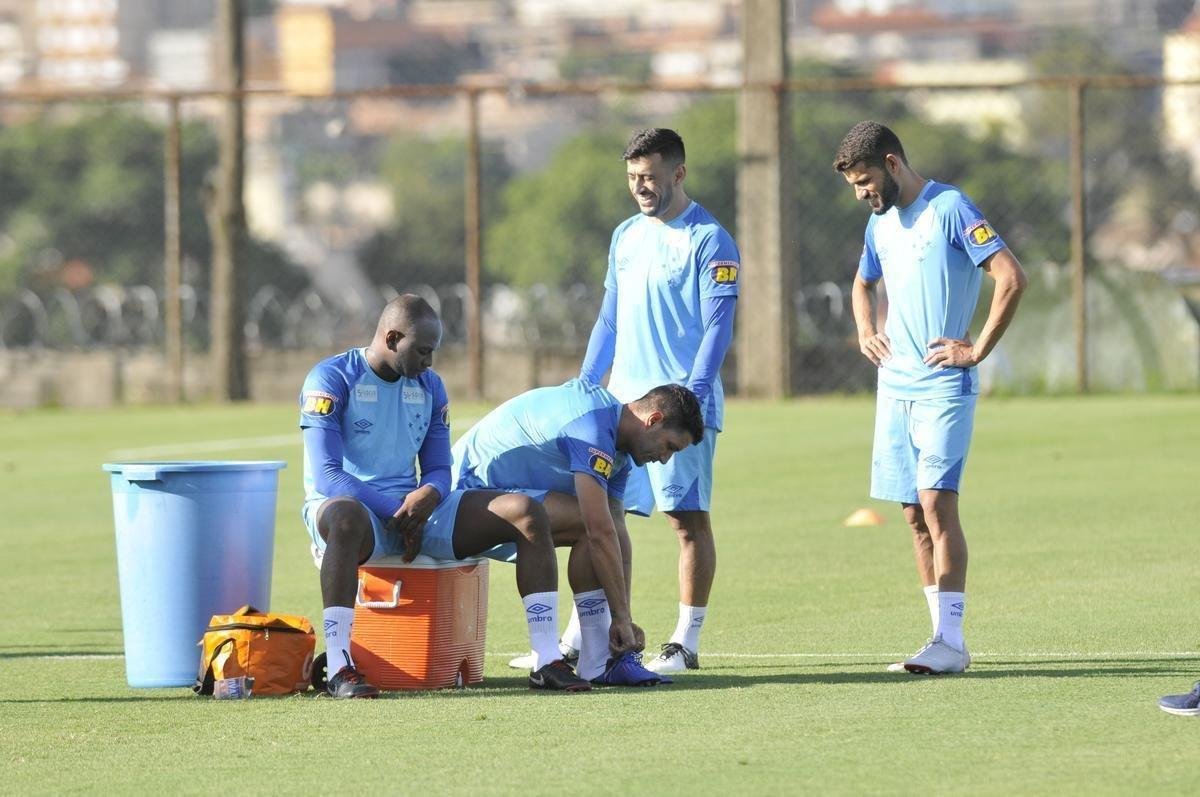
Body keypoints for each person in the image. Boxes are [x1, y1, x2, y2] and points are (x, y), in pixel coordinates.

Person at [300, 295, 591, 697]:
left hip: (414, 510)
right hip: (354, 512)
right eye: (422, 351)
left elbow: (439, 468)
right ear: (392, 337)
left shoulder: (430, 387)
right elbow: (329, 476)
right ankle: (338, 665)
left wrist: (430, 495)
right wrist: (399, 512)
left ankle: (546, 659)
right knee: (346, 518)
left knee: (525, 511)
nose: (430, 362)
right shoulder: (331, 378)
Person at [833, 120, 1028, 674]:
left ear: (892, 164)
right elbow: (861, 282)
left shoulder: (951, 208)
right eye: (853, 187)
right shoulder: (880, 224)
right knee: (913, 514)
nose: (861, 194)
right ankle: (937, 639)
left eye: (866, 181)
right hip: (894, 386)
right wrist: (865, 327)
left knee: (939, 505)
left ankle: (953, 642)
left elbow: (1011, 277)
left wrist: (977, 349)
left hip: (944, 384)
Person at [570, 127, 740, 676]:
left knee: (685, 521)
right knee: (601, 512)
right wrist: (586, 384)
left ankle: (684, 642)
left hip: (677, 411)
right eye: (632, 178)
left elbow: (717, 326)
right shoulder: (625, 235)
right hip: (624, 408)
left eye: (649, 176)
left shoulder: (709, 240)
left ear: (678, 173)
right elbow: (610, 318)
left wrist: (689, 396)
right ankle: (585, 635)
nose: (640, 187)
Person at [447, 379, 705, 685]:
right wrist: (620, 618)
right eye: (669, 447)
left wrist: (624, 616)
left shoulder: (618, 447)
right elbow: (599, 530)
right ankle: (547, 659)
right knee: (590, 523)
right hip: (458, 500)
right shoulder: (594, 428)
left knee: (600, 524)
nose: (665, 459)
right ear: (654, 420)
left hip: (506, 502)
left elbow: (615, 531)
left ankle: (600, 661)